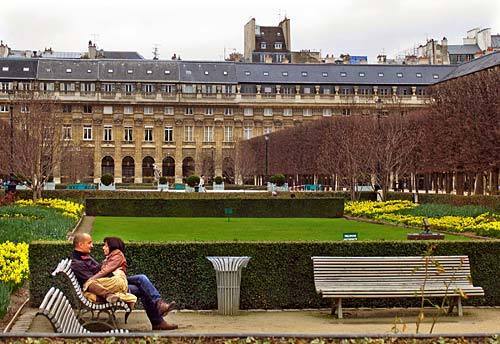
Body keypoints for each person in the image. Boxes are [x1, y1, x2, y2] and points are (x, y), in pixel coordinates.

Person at [71, 233, 178, 331]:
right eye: (89, 243)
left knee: (141, 279)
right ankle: (158, 317)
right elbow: (91, 283)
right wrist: (108, 291)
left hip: (111, 281)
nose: (92, 245)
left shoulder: (83, 258)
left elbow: (99, 270)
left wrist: (109, 263)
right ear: (80, 244)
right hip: (109, 286)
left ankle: (159, 307)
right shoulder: (78, 263)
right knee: (142, 284)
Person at [83, 237, 137, 307]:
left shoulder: (117, 255)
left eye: (105, 246)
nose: (103, 248)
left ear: (112, 246)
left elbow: (105, 271)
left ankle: (126, 298)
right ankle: (124, 298)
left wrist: (90, 279)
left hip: (117, 281)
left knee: (90, 284)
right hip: (115, 281)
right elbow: (101, 269)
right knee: (89, 292)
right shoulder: (111, 256)